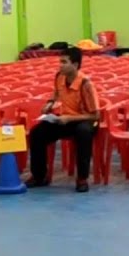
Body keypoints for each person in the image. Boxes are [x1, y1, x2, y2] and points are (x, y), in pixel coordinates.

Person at [24, 48, 100, 193]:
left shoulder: (85, 84)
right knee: (37, 132)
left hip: (85, 120)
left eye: (64, 62)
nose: (60, 65)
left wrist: (69, 118)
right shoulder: (59, 77)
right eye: (60, 61)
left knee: (83, 132)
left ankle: (82, 178)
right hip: (65, 119)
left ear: (76, 65)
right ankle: (39, 176)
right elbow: (56, 94)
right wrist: (49, 104)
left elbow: (95, 116)